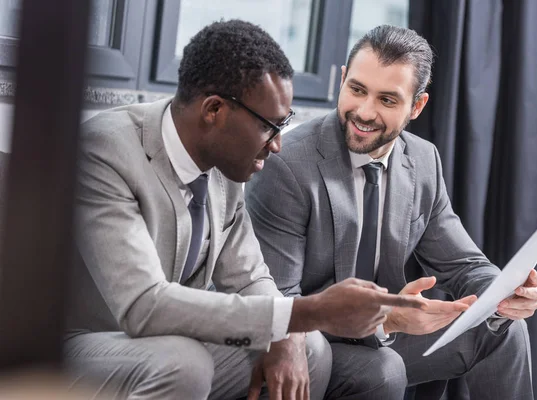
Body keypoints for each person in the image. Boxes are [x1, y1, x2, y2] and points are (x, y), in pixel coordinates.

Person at [64, 20, 424, 400]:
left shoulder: (225, 165)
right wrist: (304, 312)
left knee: (310, 349)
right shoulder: (105, 151)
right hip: (78, 347)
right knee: (185, 362)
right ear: (214, 110)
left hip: (167, 343)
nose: (278, 145)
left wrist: (288, 332)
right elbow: (143, 306)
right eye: (271, 126)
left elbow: (250, 278)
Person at [245, 25, 537, 399]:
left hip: (389, 332)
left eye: (388, 100)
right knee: (384, 370)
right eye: (356, 89)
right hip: (314, 343)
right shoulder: (287, 165)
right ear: (342, 80)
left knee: (502, 329)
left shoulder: (422, 160)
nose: (364, 112)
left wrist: (503, 293)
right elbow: (281, 305)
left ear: (417, 106)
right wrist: (385, 321)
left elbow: (464, 265)